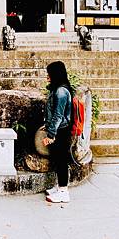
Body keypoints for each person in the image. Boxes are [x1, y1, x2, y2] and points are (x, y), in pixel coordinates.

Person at [42, 61, 73, 203]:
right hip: (57, 129)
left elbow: (58, 115)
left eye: (49, 72)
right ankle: (59, 187)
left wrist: (51, 135)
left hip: (61, 131)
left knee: (61, 161)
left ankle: (63, 192)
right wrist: (47, 126)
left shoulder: (61, 91)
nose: (47, 75)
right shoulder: (56, 89)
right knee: (56, 159)